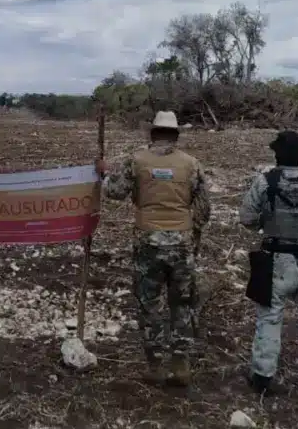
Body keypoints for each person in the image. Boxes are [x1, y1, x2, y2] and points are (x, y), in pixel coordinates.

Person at [95, 110, 211, 387]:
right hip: (181, 241)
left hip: (147, 241)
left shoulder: (136, 161)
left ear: (152, 133)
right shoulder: (192, 165)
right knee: (182, 303)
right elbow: (204, 208)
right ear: (175, 135)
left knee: (149, 303)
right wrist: (191, 237)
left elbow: (114, 192)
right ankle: (181, 362)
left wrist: (104, 173)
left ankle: (155, 364)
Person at [237, 130, 298, 397]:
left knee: (269, 319)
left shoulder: (265, 181)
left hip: (275, 263)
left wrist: (265, 224)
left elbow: (246, 217)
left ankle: (262, 377)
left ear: (277, 154)